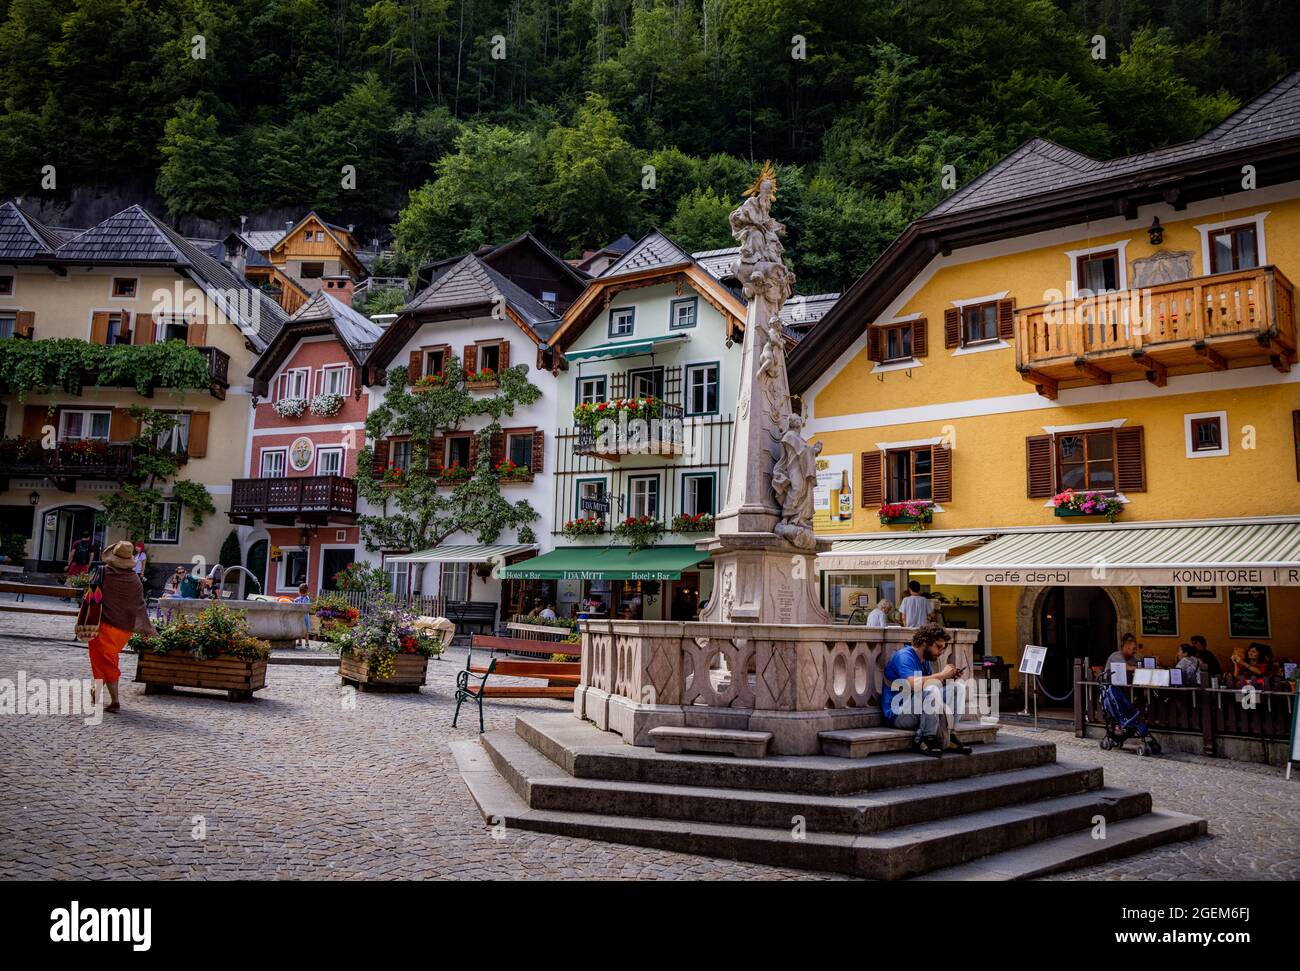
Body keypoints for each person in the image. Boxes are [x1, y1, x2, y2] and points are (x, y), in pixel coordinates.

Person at [76, 540, 155, 714]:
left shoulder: (102, 572)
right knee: (106, 659)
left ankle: (115, 701)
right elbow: (139, 604)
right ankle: (96, 692)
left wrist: (84, 617)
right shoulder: (135, 579)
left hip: (102, 625)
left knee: (104, 661)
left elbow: (91, 596)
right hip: (124, 629)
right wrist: (146, 627)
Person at [881, 623, 971, 758]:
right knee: (931, 688)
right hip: (898, 715)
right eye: (938, 647)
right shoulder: (904, 656)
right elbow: (914, 684)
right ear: (925, 642)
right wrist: (942, 675)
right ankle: (926, 738)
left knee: (958, 688)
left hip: (918, 710)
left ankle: (950, 734)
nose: (941, 651)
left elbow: (930, 689)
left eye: (944, 648)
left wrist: (947, 678)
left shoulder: (925, 661)